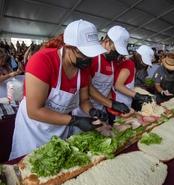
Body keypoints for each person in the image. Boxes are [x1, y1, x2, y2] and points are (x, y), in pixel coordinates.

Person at [9, 19, 107, 160]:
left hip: (60, 126)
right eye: (83, 54)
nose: (87, 60)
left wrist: (92, 111)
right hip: (33, 129)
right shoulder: (42, 61)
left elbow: (84, 99)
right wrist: (76, 121)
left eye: (90, 55)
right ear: (67, 47)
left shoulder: (83, 68)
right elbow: (34, 111)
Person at [73, 26, 131, 122]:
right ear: (107, 42)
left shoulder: (113, 62)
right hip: (85, 111)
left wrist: (112, 103)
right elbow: (87, 87)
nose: (117, 55)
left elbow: (107, 87)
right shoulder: (92, 57)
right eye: (116, 51)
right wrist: (110, 104)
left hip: (101, 110)